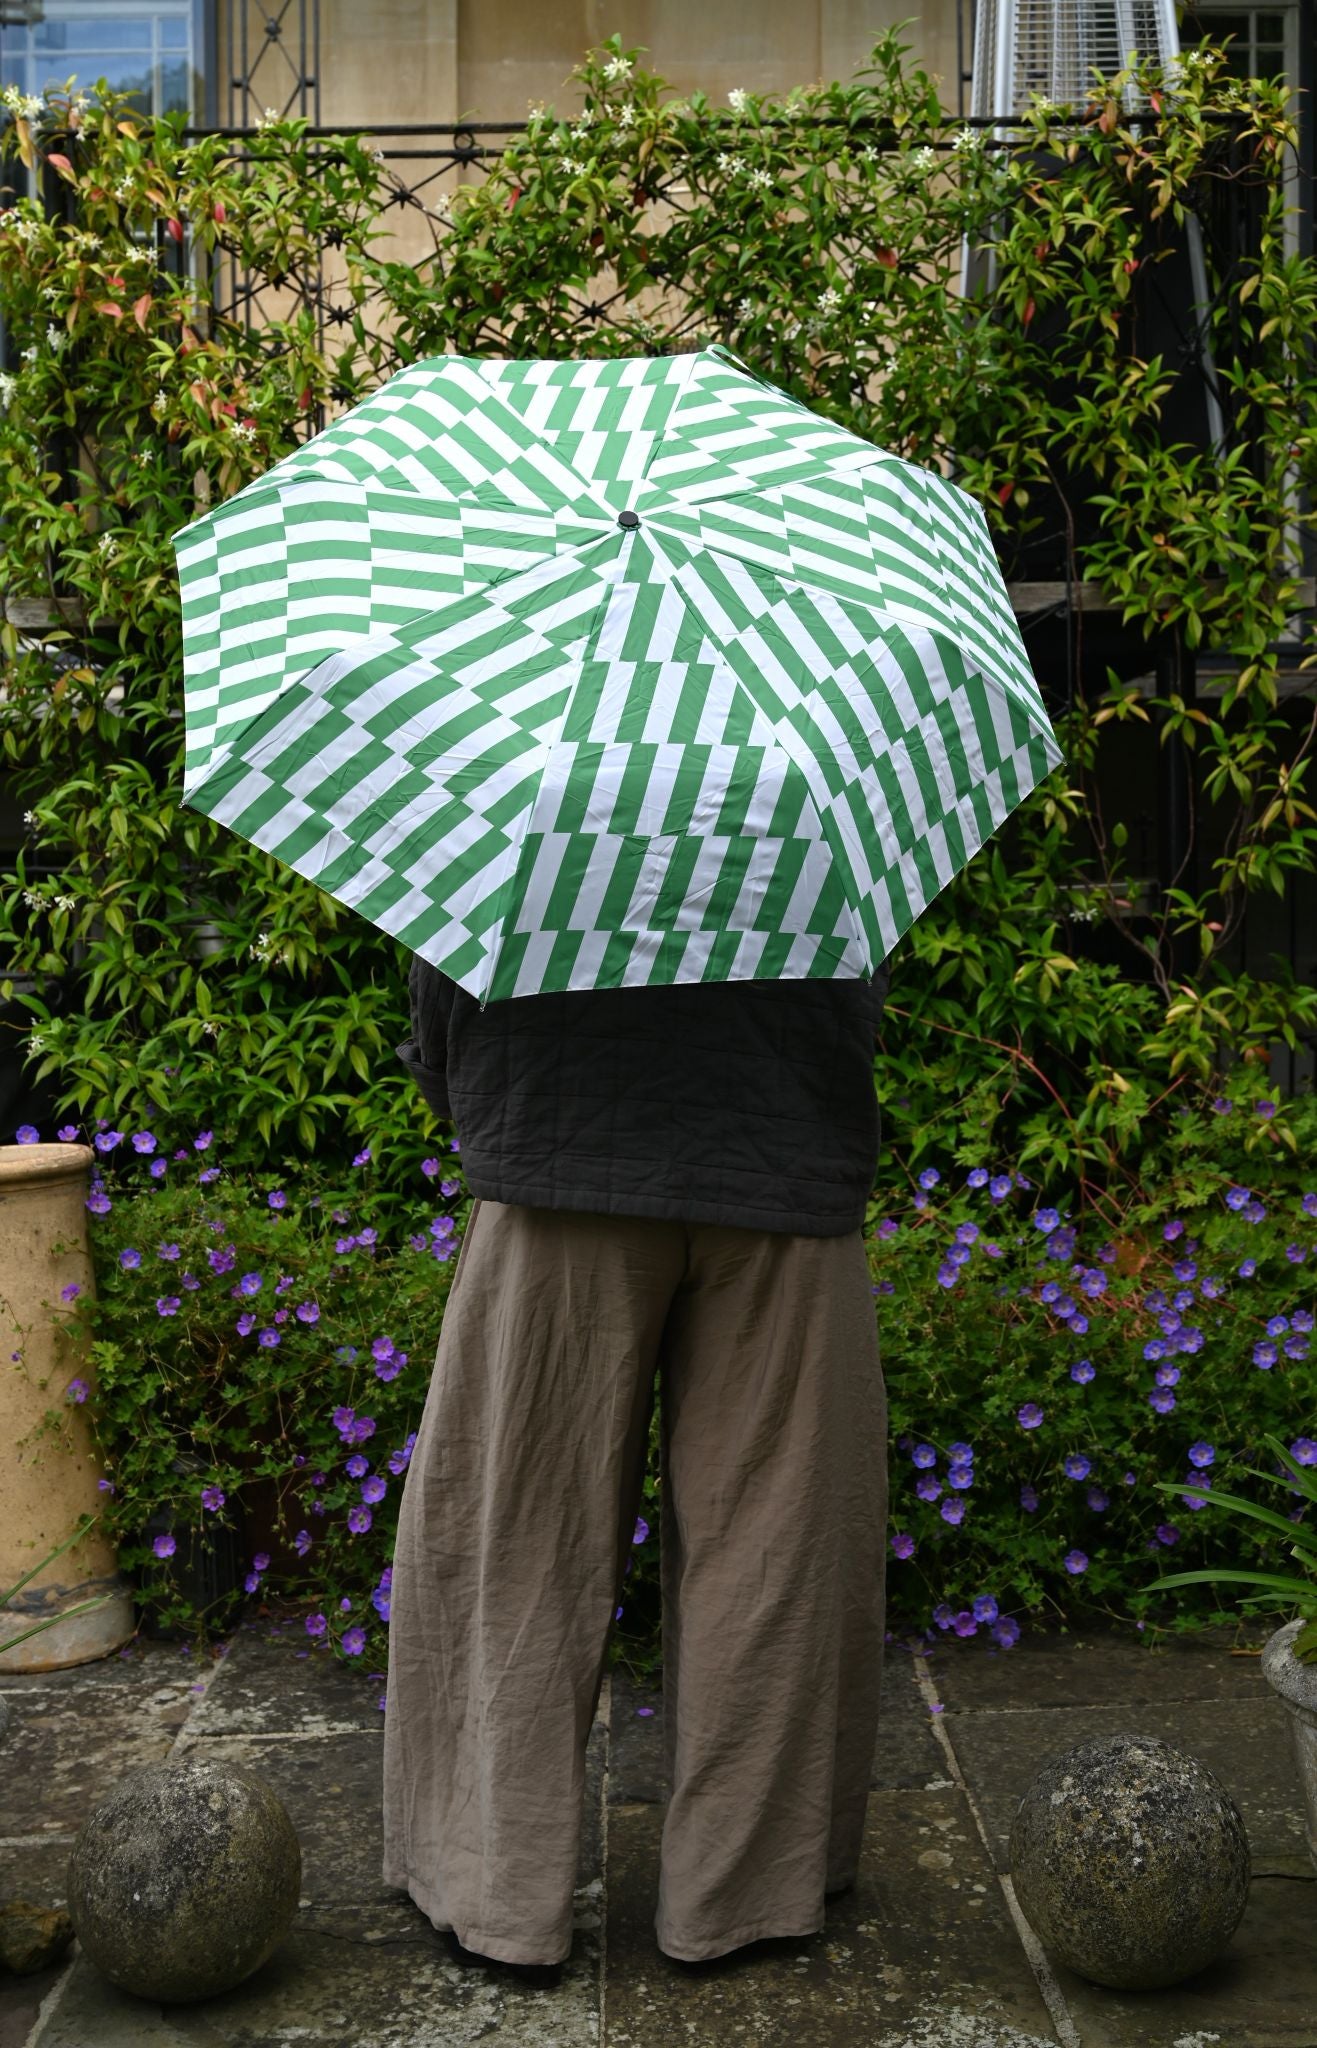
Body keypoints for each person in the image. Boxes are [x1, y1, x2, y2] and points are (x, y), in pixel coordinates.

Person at [382, 954, 891, 1979]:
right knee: (773, 1554)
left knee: (516, 1537)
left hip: (554, 1145)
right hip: (779, 1153)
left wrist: (463, 1093)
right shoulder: (807, 799)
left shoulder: (523, 799)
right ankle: (746, 1886)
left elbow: (441, 991)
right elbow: (863, 983)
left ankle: (496, 1883)